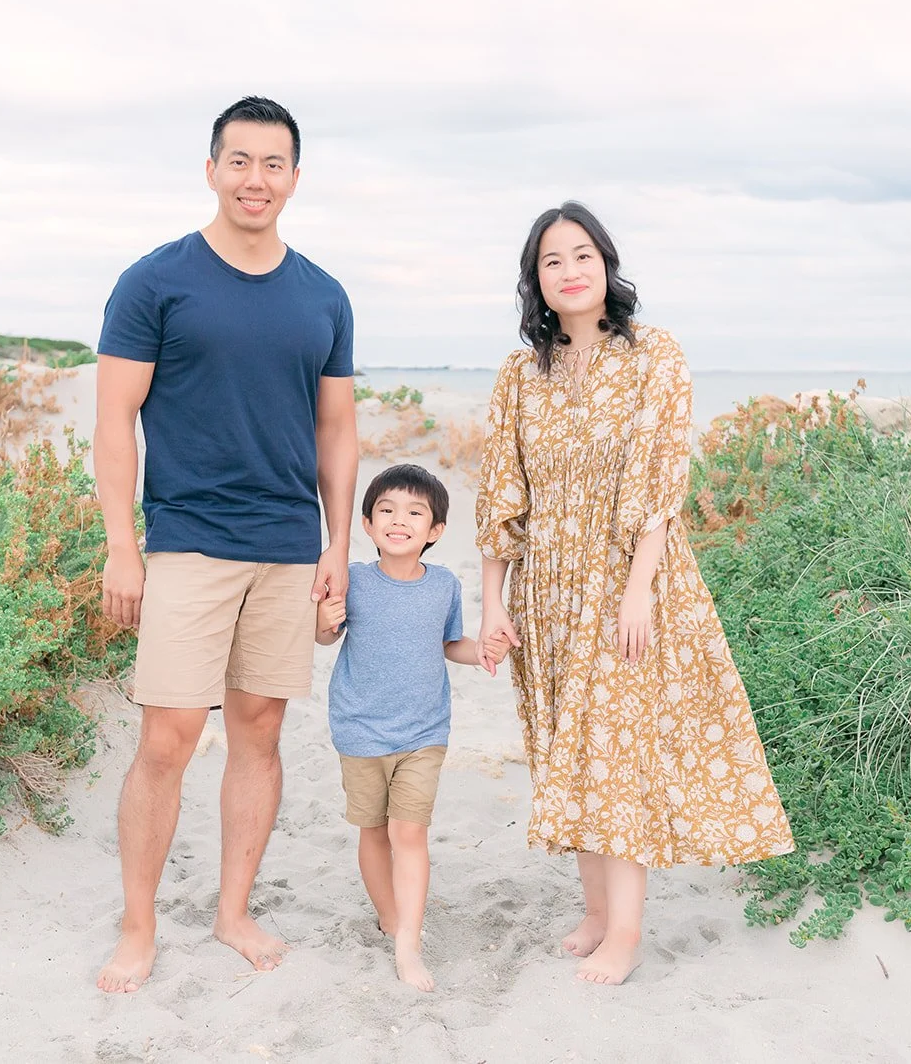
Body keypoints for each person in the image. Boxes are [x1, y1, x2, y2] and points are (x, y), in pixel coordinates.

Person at [475, 201, 794, 986]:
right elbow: (500, 496)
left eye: (582, 254)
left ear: (607, 264)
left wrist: (637, 590)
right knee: (570, 747)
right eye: (553, 261)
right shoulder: (523, 372)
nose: (570, 270)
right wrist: (493, 603)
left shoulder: (653, 353)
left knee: (617, 752)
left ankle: (625, 932)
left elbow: (659, 481)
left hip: (628, 580)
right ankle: (592, 913)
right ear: (536, 281)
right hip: (548, 587)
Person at [92, 96, 358, 993]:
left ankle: (232, 911)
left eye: (273, 164)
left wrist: (333, 547)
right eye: (239, 161)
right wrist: (121, 547)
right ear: (211, 170)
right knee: (166, 739)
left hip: (286, 549)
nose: (256, 179)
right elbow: (114, 422)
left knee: (260, 734)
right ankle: (138, 927)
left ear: (294, 177)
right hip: (189, 544)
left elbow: (336, 432)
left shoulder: (323, 295)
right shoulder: (155, 281)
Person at [315, 464, 504, 992]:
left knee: (409, 832)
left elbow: (451, 645)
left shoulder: (444, 585)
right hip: (358, 728)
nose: (400, 521)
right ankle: (389, 915)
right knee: (373, 831)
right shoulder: (353, 580)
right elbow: (326, 640)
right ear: (368, 525)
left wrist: (483, 651)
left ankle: (408, 944)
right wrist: (324, 622)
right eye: (387, 512)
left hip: (424, 732)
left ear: (435, 531)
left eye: (415, 513)